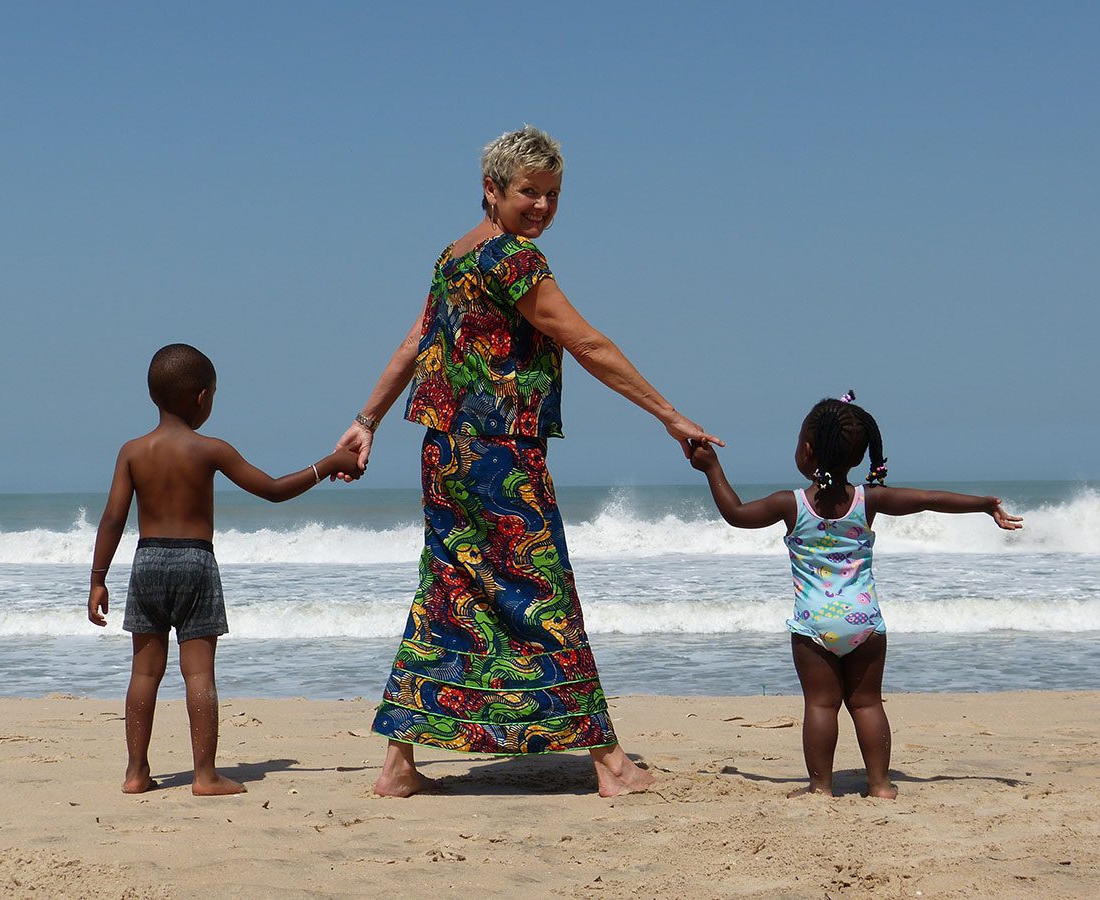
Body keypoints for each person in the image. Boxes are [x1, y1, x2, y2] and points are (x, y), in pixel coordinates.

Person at [335, 126, 723, 798]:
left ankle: (398, 765)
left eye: (552, 194)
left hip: (444, 452)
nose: (541, 206)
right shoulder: (512, 262)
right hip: (500, 456)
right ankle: (610, 764)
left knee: (447, 592)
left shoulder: (454, 256)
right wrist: (669, 414)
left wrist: (366, 419)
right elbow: (587, 343)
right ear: (492, 190)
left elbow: (412, 342)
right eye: (528, 193)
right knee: (545, 595)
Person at [688, 390, 1022, 799]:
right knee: (866, 704)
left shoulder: (789, 504)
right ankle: (880, 785)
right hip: (866, 624)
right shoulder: (870, 500)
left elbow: (736, 514)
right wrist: (983, 505)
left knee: (821, 705)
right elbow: (928, 500)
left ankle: (820, 787)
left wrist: (712, 468)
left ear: (807, 450)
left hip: (814, 626)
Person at [87, 343, 361, 795]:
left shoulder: (132, 452)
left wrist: (98, 579)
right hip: (195, 562)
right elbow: (272, 490)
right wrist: (327, 464)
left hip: (147, 561)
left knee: (143, 673)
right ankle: (204, 775)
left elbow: (113, 517)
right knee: (198, 674)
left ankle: (136, 773)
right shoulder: (210, 450)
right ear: (201, 398)